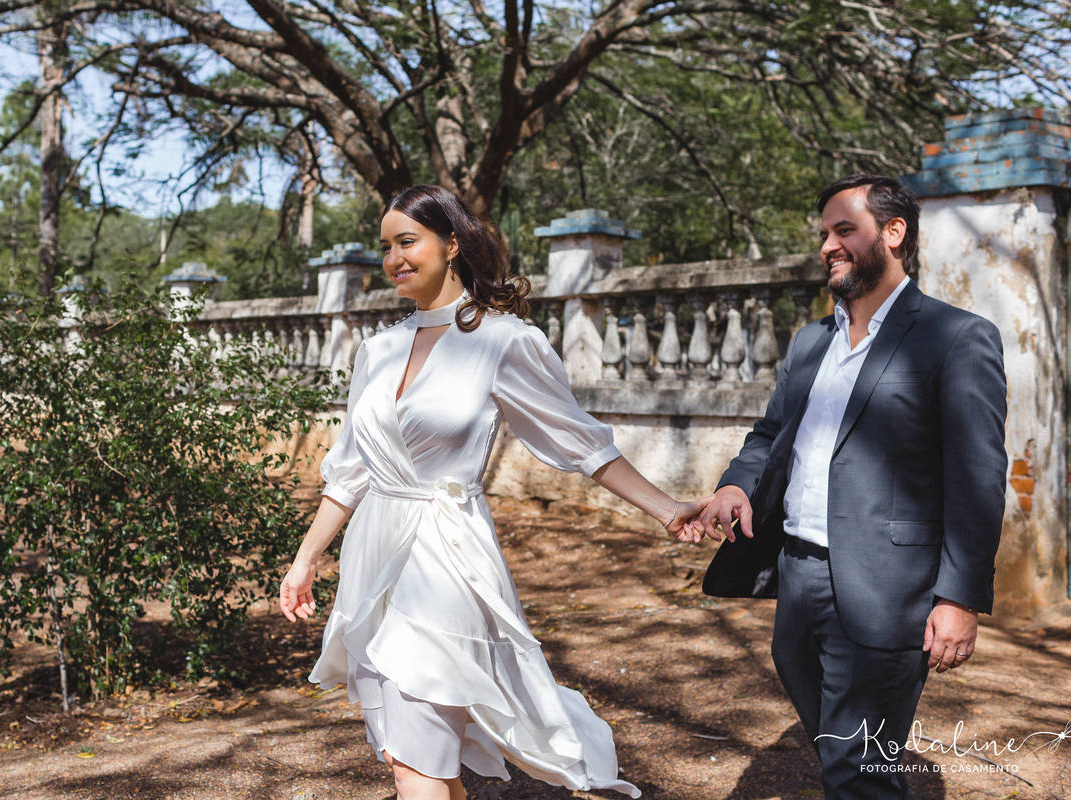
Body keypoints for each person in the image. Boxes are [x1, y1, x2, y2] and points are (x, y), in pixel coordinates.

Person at [279, 184, 705, 800]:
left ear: (451, 244)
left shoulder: (504, 340)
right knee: (421, 759)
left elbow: (580, 442)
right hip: (372, 559)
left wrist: (668, 510)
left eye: (407, 241)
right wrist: (307, 557)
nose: (394, 259)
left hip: (447, 559)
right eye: (385, 247)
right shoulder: (376, 350)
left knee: (416, 759)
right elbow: (351, 470)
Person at [689, 175, 1008, 799]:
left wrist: (960, 598)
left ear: (894, 233)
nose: (828, 245)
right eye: (824, 235)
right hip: (798, 575)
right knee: (848, 754)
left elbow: (978, 476)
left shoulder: (956, 337)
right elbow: (770, 434)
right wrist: (737, 487)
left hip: (891, 589)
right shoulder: (813, 340)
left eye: (844, 230)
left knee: (855, 767)